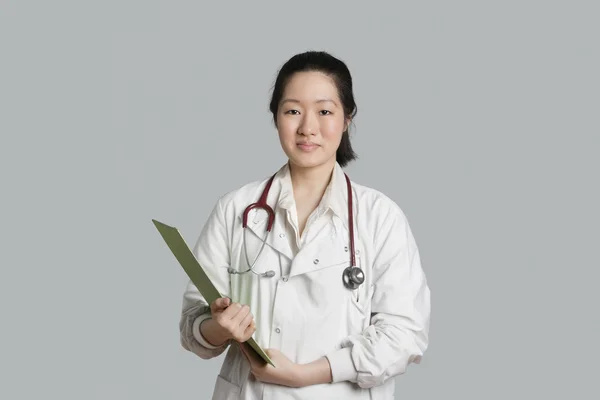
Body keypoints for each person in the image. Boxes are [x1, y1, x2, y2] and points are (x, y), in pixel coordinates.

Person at [179, 50, 431, 400]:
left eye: (324, 111)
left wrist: (303, 375)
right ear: (276, 117)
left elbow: (404, 334)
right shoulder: (235, 210)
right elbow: (194, 331)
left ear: (347, 119)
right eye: (293, 111)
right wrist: (218, 327)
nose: (307, 127)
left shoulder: (380, 217)